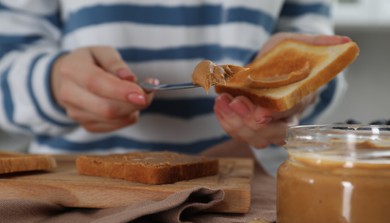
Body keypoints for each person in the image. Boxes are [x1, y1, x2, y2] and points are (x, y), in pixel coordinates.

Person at [0, 0, 349, 169]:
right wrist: (53, 83)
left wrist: (297, 91)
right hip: (77, 192)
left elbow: (319, 63)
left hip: (241, 183)